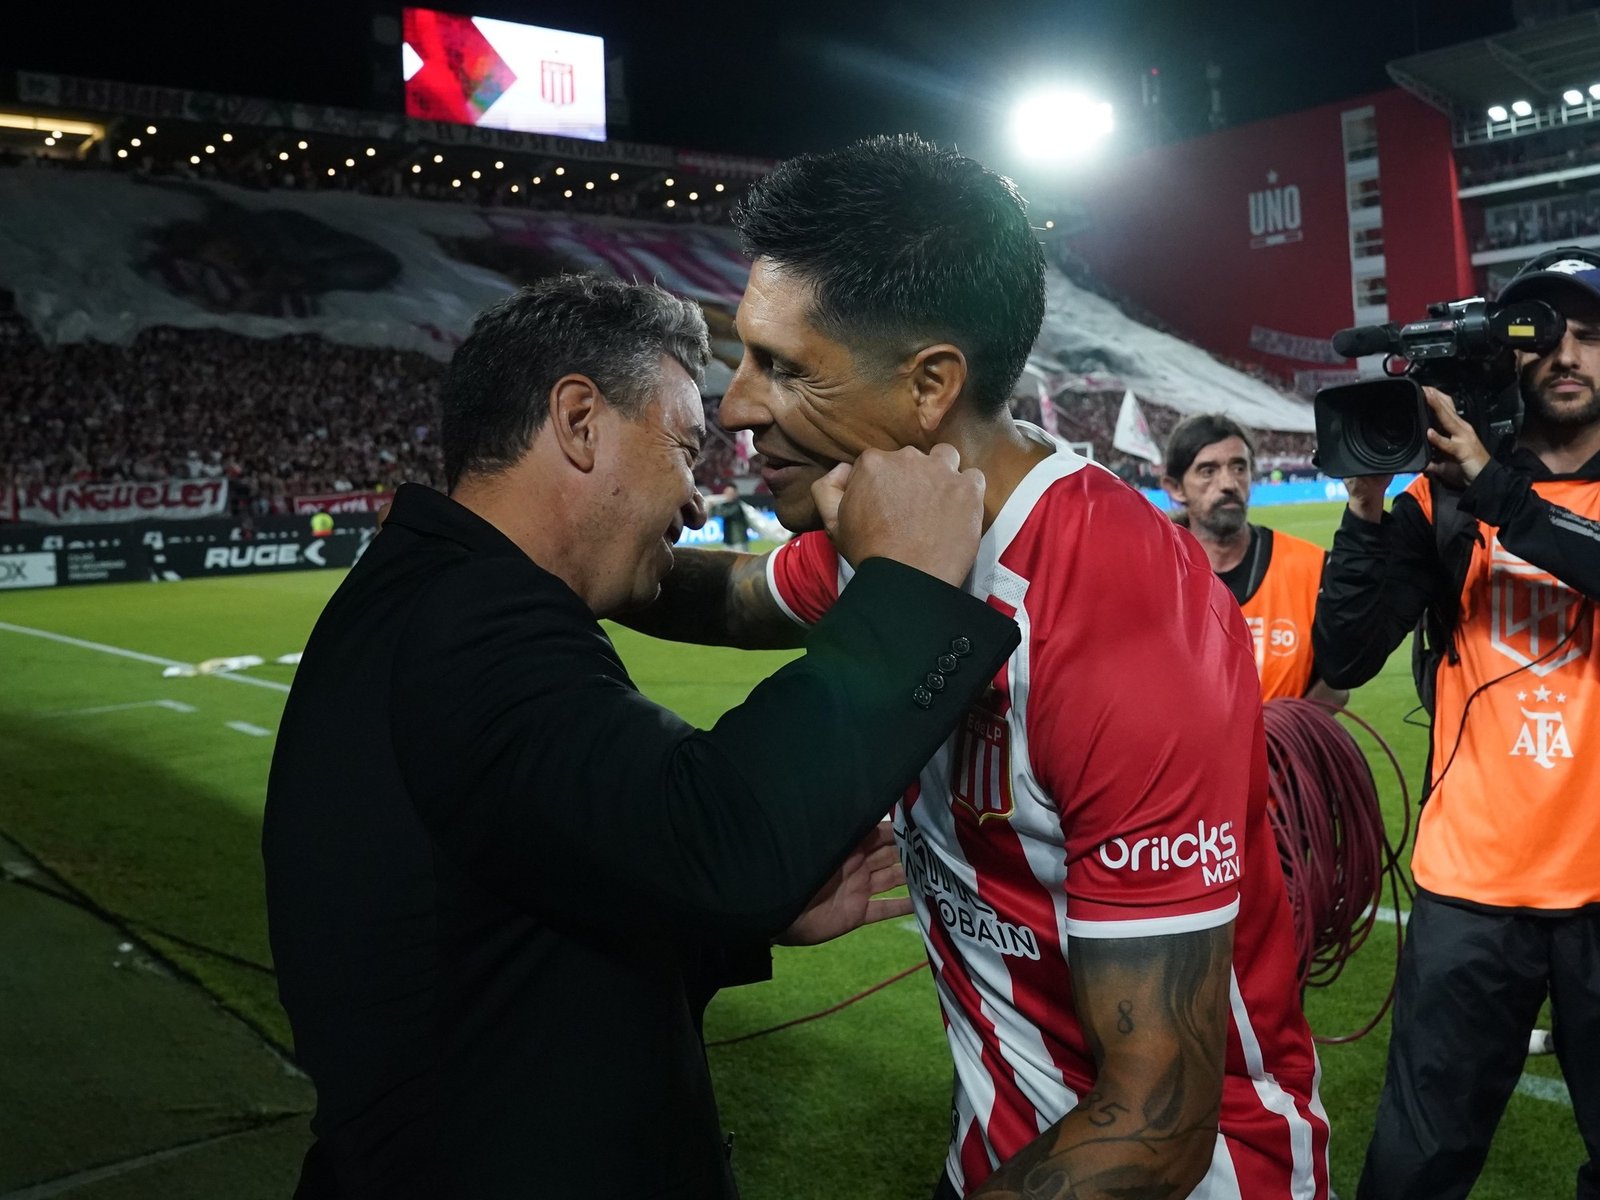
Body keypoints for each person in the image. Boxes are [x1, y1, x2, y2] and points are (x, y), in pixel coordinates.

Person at [626, 135, 1326, 1199]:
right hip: (1009, 1152)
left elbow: (1158, 1122)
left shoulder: (1121, 619)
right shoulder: (894, 542)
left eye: (784, 367)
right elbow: (727, 598)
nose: (735, 408)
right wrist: (541, 546)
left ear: (929, 387)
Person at [261, 273, 1020, 1200]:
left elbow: (507, 923)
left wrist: (754, 918)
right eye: (686, 448)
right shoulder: (472, 618)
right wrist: (904, 590)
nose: (698, 502)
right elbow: (716, 834)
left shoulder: (425, 595)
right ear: (579, 421)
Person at [1312, 247, 1600, 1200]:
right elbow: (1345, 656)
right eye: (1546, 337)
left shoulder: (1483, 490)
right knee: (1416, 1165)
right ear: (1508, 357)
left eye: (1593, 336)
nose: (1568, 357)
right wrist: (1363, 509)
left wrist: (1496, 490)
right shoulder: (1444, 498)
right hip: (1470, 891)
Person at [1162, 412, 1348, 706]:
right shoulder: (1152, 577)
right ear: (1175, 488)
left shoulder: (1311, 567)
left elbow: (1337, 683)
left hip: (1285, 751)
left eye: (1239, 467)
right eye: (1208, 471)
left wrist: (1284, 737)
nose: (1228, 483)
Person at [711, 482, 750, 551]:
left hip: (738, 541)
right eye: (726, 493)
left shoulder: (738, 506)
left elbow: (725, 513)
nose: (727, 495)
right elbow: (714, 514)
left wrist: (715, 506)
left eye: (730, 493)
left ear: (735, 494)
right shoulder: (725, 505)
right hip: (728, 541)